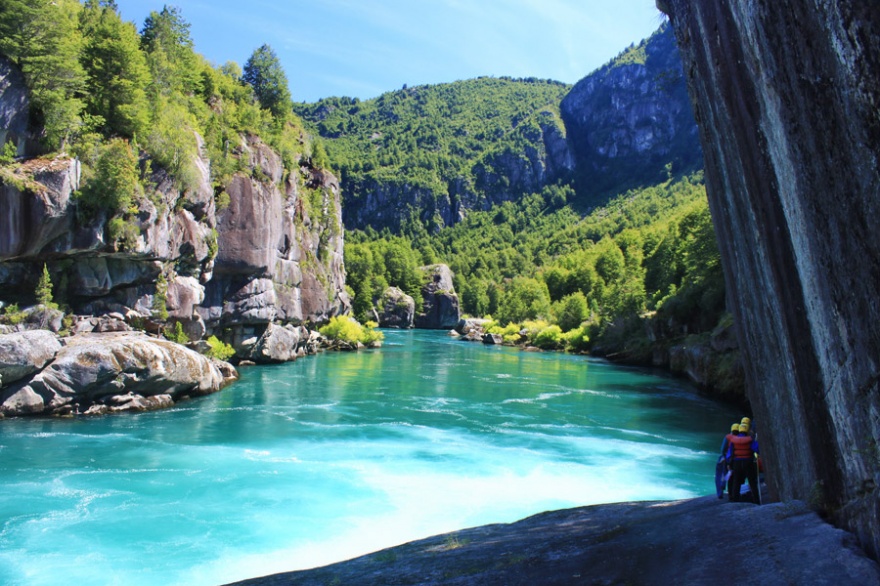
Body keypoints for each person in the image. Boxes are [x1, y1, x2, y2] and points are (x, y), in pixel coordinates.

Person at [728, 422, 761, 504]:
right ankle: (756, 500)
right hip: (748, 462)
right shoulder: (749, 440)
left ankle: (735, 499)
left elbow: (730, 453)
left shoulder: (734, 440)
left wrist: (729, 463)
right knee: (752, 481)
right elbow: (756, 449)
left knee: (736, 481)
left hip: (737, 463)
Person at [716, 423, 740, 498]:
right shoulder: (740, 439)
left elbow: (723, 449)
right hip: (735, 460)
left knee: (720, 475)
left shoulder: (728, 437)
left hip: (726, 459)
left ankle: (720, 492)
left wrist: (724, 456)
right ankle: (732, 493)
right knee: (733, 477)